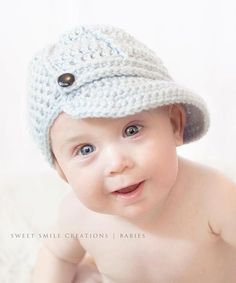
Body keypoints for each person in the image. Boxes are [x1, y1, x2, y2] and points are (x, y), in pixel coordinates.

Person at [28, 25, 236, 283]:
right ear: (62, 171)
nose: (117, 163)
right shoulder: (77, 215)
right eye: (86, 149)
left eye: (132, 130)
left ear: (174, 125)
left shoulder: (213, 197)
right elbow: (56, 255)